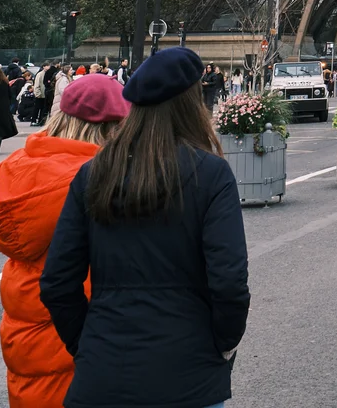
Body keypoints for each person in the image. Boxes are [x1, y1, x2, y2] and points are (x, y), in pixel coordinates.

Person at [41, 48, 250, 408]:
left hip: (102, 371)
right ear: (191, 104)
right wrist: (223, 343)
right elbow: (229, 280)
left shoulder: (93, 174)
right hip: (189, 372)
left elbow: (58, 282)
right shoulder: (211, 174)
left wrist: (86, 343)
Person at [0, 74, 130, 408]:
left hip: (26, 340)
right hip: (79, 346)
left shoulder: (16, 169)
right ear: (110, 128)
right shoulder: (98, 182)